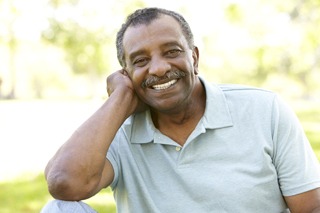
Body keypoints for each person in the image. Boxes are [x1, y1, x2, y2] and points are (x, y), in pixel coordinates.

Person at [41, 7, 320, 213]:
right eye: (141, 60)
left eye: (172, 51)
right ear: (125, 73)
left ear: (194, 57)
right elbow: (64, 183)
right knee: (59, 210)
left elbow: (309, 207)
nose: (159, 68)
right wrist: (119, 99)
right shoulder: (117, 132)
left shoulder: (264, 109)